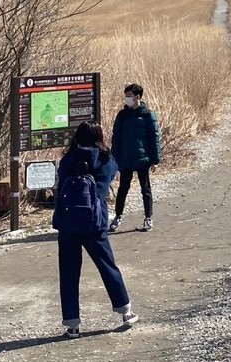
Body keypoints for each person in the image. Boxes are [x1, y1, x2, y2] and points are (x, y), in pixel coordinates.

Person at [53, 122, 137, 338]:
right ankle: (125, 311)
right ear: (99, 137)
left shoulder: (67, 159)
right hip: (94, 223)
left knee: (69, 274)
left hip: (68, 223)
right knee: (108, 267)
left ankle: (72, 325)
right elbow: (109, 179)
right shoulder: (106, 160)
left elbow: (60, 185)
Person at [110, 83, 161, 234]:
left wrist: (155, 160)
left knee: (145, 189)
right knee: (123, 190)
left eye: (129, 96)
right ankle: (118, 216)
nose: (127, 99)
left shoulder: (147, 114)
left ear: (138, 97)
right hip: (126, 159)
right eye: (126, 96)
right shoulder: (122, 115)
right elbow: (116, 138)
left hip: (143, 159)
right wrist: (115, 158)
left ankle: (148, 217)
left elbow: (154, 138)